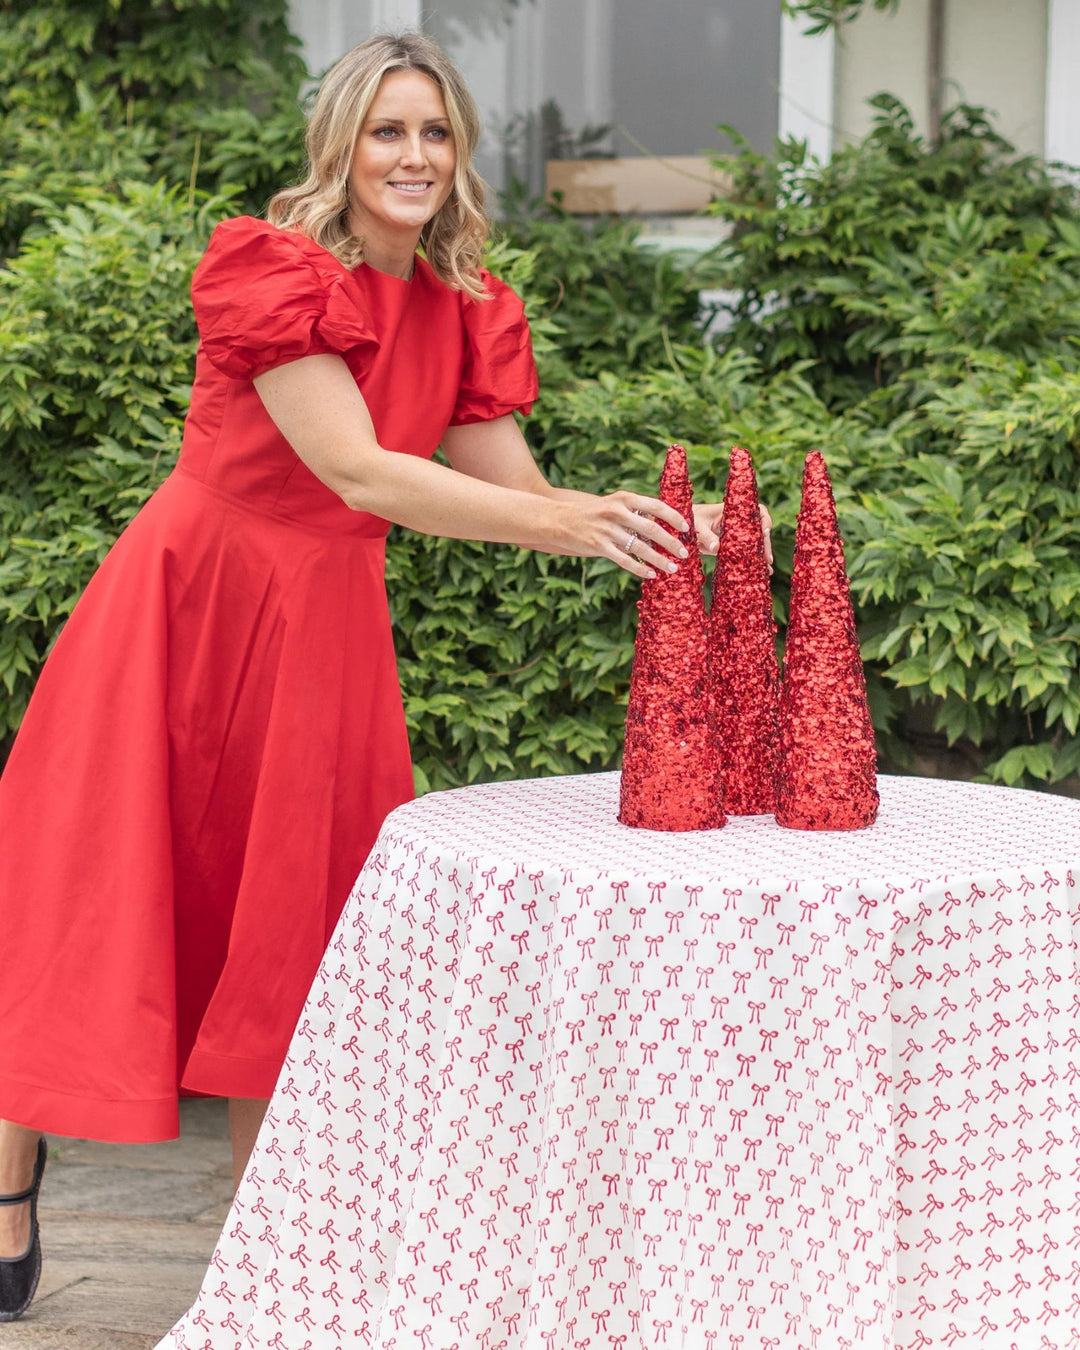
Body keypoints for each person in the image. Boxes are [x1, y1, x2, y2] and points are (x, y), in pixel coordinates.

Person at [0, 31, 751, 1322]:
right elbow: (358, 470)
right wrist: (571, 524)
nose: (412, 156)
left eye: (436, 132)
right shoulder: (275, 271)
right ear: (340, 147)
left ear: (461, 154)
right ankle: (8, 1184)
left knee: (289, 932)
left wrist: (651, 529)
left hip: (327, 636)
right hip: (193, 606)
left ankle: (259, 1262)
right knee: (90, 896)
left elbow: (514, 491)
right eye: (386, 131)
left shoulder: (465, 307)